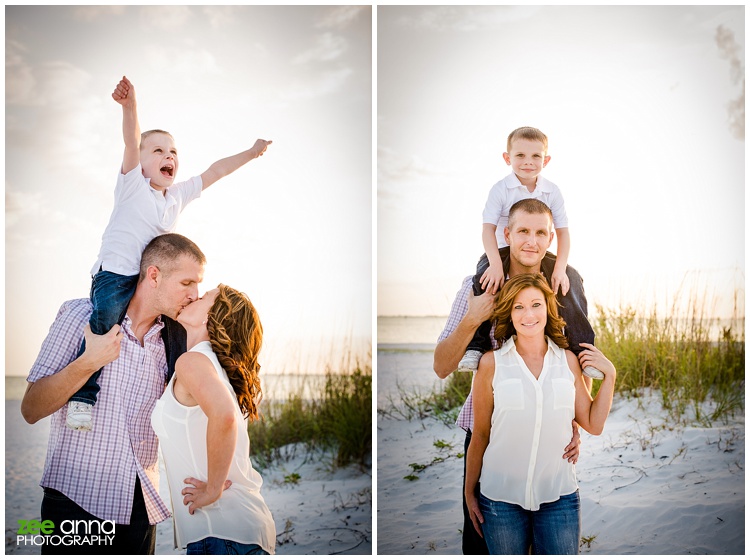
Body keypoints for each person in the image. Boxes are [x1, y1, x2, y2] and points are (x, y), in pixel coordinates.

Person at [66, 75, 272, 432]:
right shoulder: (133, 185)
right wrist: (130, 107)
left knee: (176, 327)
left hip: (151, 281)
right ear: (142, 162)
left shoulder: (176, 196)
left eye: (173, 152)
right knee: (106, 329)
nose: (168, 156)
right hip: (115, 275)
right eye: (158, 150)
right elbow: (131, 141)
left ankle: (173, 392)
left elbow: (215, 171)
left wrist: (252, 153)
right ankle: (83, 396)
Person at [21, 233, 208, 554]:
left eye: (198, 285)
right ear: (153, 275)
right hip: (74, 502)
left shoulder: (173, 342)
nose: (195, 294)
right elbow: (31, 408)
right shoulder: (81, 316)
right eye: (187, 283)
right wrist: (88, 362)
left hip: (141, 505)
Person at [433, 198, 597, 555]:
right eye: (522, 231)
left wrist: (572, 420)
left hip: (548, 439)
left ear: (551, 238)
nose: (531, 241)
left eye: (541, 233)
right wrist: (473, 318)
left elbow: (578, 356)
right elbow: (442, 366)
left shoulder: (563, 286)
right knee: (482, 545)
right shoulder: (477, 284)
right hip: (487, 432)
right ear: (506, 234)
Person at [464, 273, 616, 554]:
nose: (528, 314)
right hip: (500, 500)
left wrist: (610, 375)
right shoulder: (491, 364)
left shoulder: (568, 362)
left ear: (548, 308)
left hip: (559, 497)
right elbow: (481, 434)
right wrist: (469, 492)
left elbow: (593, 424)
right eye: (518, 307)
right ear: (509, 313)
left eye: (536, 304)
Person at [458, 127, 598, 378]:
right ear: (507, 158)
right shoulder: (501, 189)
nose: (528, 162)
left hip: (538, 252)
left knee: (572, 278)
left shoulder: (552, 191)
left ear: (546, 160)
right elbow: (487, 230)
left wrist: (560, 269)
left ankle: (582, 351)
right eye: (520, 155)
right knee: (482, 279)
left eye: (535, 157)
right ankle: (476, 347)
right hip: (500, 250)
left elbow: (563, 233)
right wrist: (495, 265)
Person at [151, 284, 276, 555]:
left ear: (211, 317)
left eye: (204, 296)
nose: (195, 296)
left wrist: (213, 489)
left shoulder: (192, 362)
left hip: (222, 533)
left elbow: (225, 417)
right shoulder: (206, 365)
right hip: (233, 533)